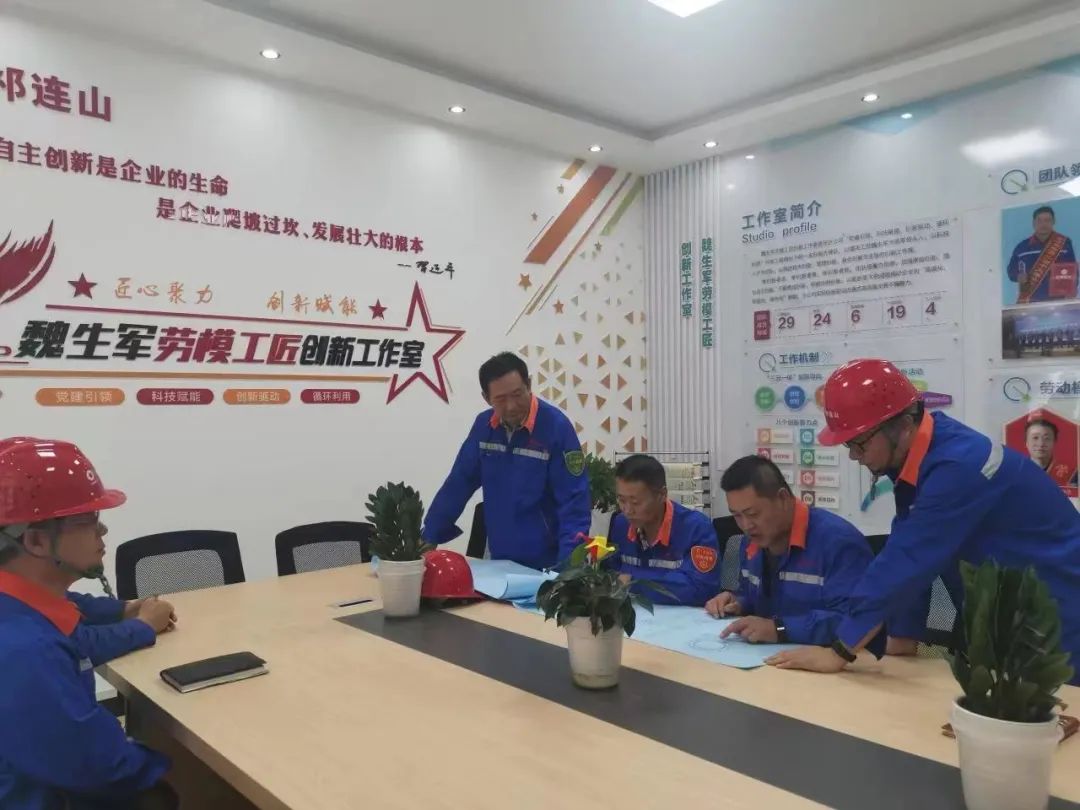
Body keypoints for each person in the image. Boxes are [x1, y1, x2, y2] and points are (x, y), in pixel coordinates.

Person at [766, 359, 1080, 683]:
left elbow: (906, 560)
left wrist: (839, 651)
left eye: (860, 442)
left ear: (902, 425)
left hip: (1059, 613)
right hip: (1009, 613)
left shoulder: (957, 466)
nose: (854, 455)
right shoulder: (921, 456)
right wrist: (903, 635)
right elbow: (916, 554)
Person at [0, 437, 179, 810]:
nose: (102, 532)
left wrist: (123, 609)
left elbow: (72, 606)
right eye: (88, 521)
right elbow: (104, 768)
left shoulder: (18, 602)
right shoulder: (27, 650)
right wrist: (182, 765)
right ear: (36, 541)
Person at [422, 352, 591, 570]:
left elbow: (574, 504)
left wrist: (568, 570)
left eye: (517, 394)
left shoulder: (556, 428)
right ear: (486, 398)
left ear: (529, 385)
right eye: (500, 399)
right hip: (499, 558)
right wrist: (429, 536)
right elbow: (458, 483)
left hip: (548, 562)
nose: (511, 406)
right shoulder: (484, 427)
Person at [704, 456, 878, 648]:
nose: (746, 525)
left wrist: (779, 629)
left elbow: (856, 621)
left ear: (783, 498)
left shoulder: (838, 543)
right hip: (769, 656)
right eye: (737, 516)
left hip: (833, 659)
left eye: (753, 514)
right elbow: (760, 602)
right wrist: (738, 603)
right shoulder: (751, 542)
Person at [609, 454, 719, 606]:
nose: (627, 510)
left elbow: (702, 589)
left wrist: (634, 581)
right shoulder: (621, 524)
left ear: (662, 495)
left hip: (682, 618)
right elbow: (610, 576)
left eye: (635, 502)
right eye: (621, 500)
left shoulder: (696, 528)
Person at [1007, 205, 1077, 303]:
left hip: (1058, 302)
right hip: (1029, 301)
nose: (1043, 224)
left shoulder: (1064, 243)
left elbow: (1073, 270)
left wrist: (1071, 291)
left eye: (1047, 220)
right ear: (1033, 223)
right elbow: (1011, 270)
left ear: (1053, 222)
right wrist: (1018, 276)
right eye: (1039, 221)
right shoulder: (1022, 247)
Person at [1024, 415, 1074, 489]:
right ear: (1026, 443)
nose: (1041, 444)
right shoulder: (1015, 473)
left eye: (1047, 438)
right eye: (1035, 438)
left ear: (1054, 442)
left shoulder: (1071, 475)